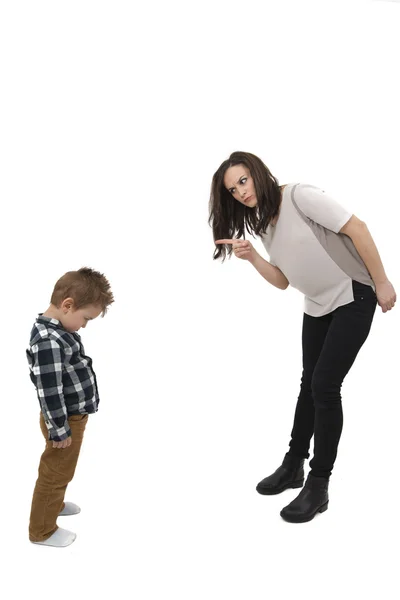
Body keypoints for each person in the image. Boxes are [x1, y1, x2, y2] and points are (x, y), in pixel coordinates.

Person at [209, 151, 396, 523]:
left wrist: (381, 281)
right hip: (317, 303)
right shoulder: (262, 222)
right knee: (308, 385)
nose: (240, 193)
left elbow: (356, 228)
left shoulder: (299, 196)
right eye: (232, 190)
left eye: (243, 181)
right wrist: (252, 259)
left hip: (353, 294)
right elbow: (282, 280)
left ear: (258, 173)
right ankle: (294, 464)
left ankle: (319, 483)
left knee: (325, 385)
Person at [27, 267, 114, 546]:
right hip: (64, 420)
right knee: (55, 471)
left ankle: (54, 504)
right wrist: (60, 429)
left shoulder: (57, 331)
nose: (85, 325)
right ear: (68, 305)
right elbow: (49, 390)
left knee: (62, 468)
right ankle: (42, 530)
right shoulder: (48, 341)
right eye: (86, 318)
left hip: (70, 418)